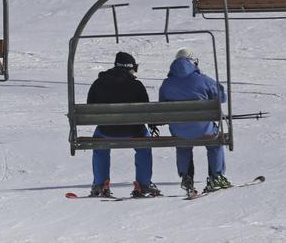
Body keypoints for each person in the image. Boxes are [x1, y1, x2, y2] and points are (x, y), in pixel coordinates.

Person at [86, 52, 160, 198]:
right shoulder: (136, 85)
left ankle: (100, 183)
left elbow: (90, 108)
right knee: (143, 145)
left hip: (106, 130)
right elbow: (146, 111)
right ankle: (143, 184)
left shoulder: (98, 83)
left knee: (100, 144)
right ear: (130, 67)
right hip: (134, 131)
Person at [159, 48, 229, 195]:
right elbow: (222, 97)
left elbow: (162, 106)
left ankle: (186, 176)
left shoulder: (167, 84)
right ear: (193, 62)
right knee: (214, 142)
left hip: (179, 130)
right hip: (204, 129)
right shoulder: (203, 80)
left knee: (183, 143)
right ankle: (216, 175)